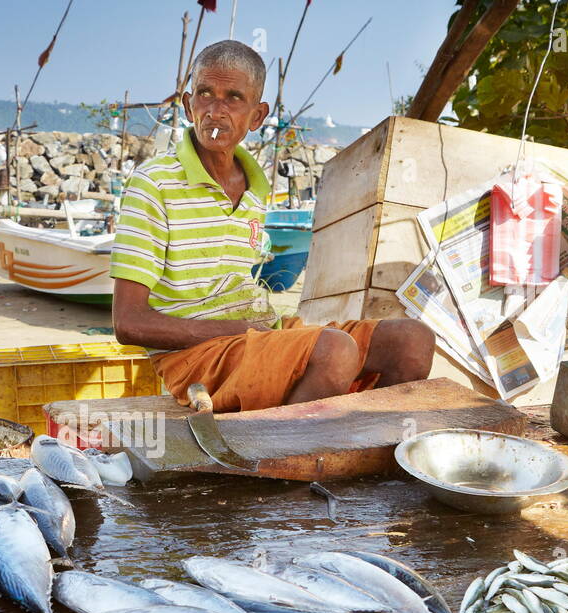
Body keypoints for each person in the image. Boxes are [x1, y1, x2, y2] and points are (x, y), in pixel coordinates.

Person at [110, 40, 434, 413]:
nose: (215, 111)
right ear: (188, 105)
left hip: (259, 334)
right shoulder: (153, 184)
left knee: (413, 340)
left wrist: (256, 331)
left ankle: (364, 448)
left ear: (257, 116)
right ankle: (286, 458)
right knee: (334, 351)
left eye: (233, 98)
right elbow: (128, 323)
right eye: (204, 94)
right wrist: (235, 330)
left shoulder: (254, 188)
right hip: (194, 356)